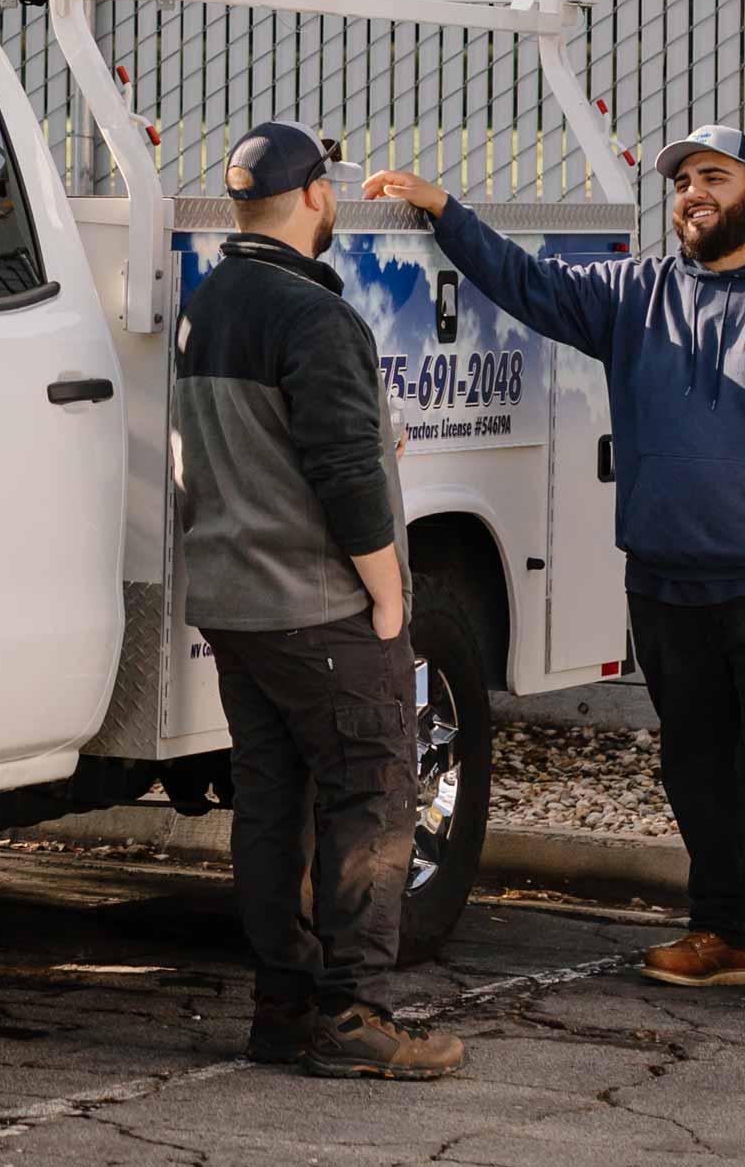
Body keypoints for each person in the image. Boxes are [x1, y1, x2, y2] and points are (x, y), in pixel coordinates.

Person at [362, 125, 745, 1006]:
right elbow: (527, 283)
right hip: (668, 582)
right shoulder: (635, 295)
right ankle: (719, 930)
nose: (694, 193)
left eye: (714, 177)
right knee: (694, 762)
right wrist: (442, 210)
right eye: (683, 181)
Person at [174, 122, 465, 1080]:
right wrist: (389, 601)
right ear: (312, 197)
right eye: (330, 188)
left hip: (237, 606)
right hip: (320, 607)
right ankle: (354, 1017)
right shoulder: (317, 317)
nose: (336, 201)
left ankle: (281, 1008)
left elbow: (251, 451)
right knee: (373, 798)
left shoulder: (206, 305)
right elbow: (342, 472)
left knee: (270, 803)